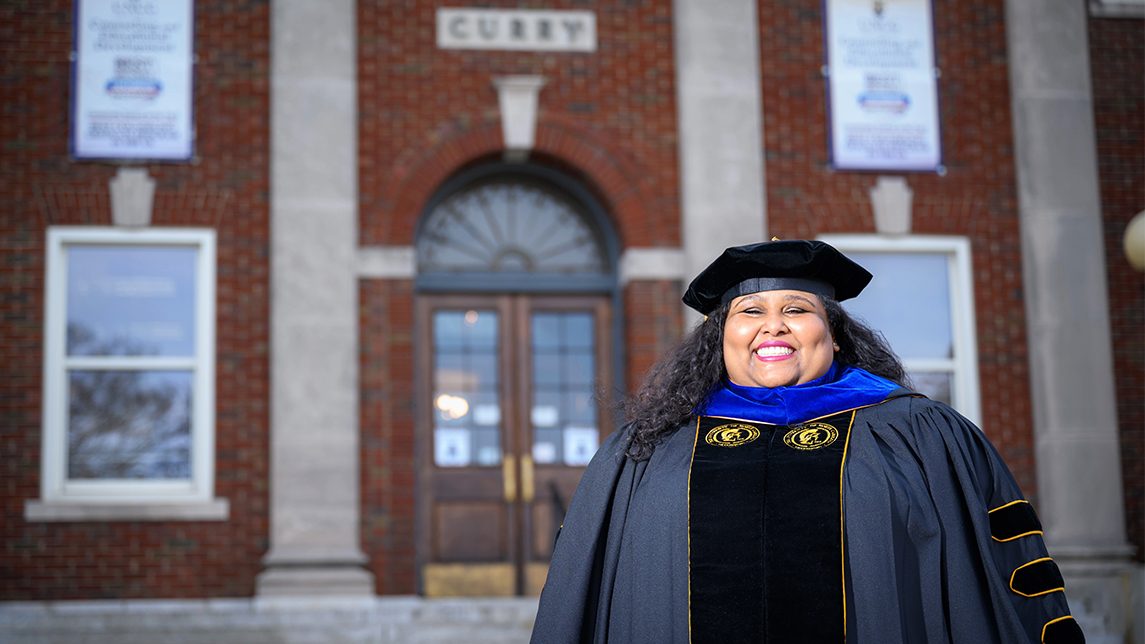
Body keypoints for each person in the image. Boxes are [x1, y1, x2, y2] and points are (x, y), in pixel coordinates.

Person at [530, 239, 1084, 644]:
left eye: (796, 309)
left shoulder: (919, 434)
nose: (773, 326)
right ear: (721, 338)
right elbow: (586, 587)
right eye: (750, 312)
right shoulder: (648, 450)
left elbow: (998, 573)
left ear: (835, 335)